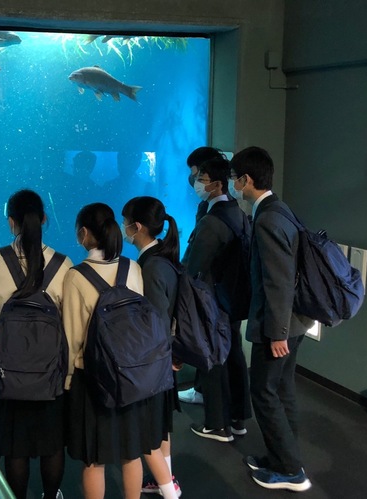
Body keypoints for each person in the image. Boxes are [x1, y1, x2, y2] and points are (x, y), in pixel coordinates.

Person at [0, 189, 73, 499]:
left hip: (7, 371)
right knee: (51, 444)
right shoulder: (63, 264)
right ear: (44, 219)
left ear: (11, 222)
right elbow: (69, 319)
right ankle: (51, 495)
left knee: (16, 447)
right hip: (51, 372)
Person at [63, 203, 167, 499]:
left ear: (84, 233)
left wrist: (68, 382)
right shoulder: (132, 267)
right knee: (131, 453)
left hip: (93, 379)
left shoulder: (76, 276)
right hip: (133, 374)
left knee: (94, 459)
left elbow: (72, 337)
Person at [229, 146, 312, 492]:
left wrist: (275, 333)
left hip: (279, 326)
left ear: (246, 180)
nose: (234, 185)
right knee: (281, 389)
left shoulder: (267, 219)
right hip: (295, 323)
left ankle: (291, 470)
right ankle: (283, 455)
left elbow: (277, 282)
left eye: (235, 179)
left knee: (263, 391)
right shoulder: (282, 209)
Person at [181, 157, 252, 442]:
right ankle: (237, 419)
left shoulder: (213, 221)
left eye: (200, 177)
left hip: (213, 301)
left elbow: (195, 264)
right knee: (233, 354)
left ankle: (217, 424)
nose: (196, 182)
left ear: (216, 183)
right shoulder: (237, 213)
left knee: (212, 356)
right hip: (232, 299)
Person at [121, 196, 183, 498]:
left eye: (125, 222)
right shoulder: (161, 256)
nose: (123, 228)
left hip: (155, 362)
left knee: (150, 429)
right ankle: (165, 480)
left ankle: (167, 486)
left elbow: (156, 319)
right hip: (164, 359)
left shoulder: (151, 266)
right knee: (160, 426)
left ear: (138, 227)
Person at [178, 146, 227, 406]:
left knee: (213, 344)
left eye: (196, 174)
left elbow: (198, 255)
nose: (193, 180)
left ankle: (216, 417)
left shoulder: (215, 215)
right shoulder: (211, 209)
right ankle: (204, 393)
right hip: (216, 292)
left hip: (212, 292)